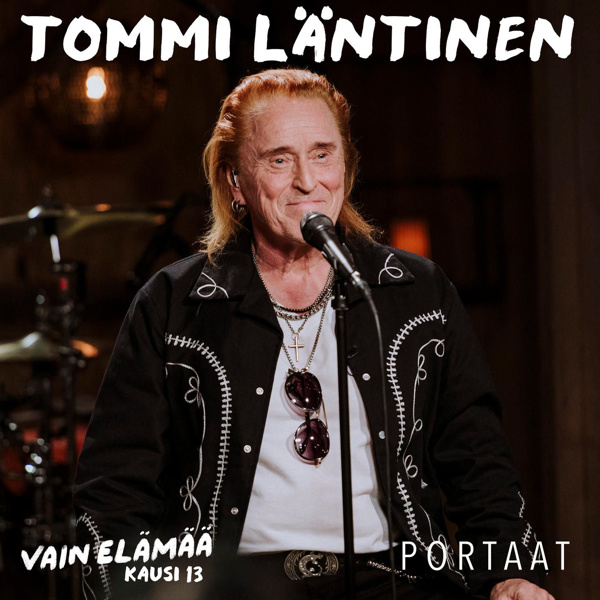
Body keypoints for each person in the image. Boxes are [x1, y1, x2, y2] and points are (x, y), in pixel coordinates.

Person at [74, 69, 554, 600]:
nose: (307, 180)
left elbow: (478, 461)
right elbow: (113, 488)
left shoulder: (414, 291)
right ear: (235, 182)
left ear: (346, 166)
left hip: (394, 582)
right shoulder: (175, 305)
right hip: (235, 587)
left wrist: (509, 574)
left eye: (323, 154)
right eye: (279, 160)